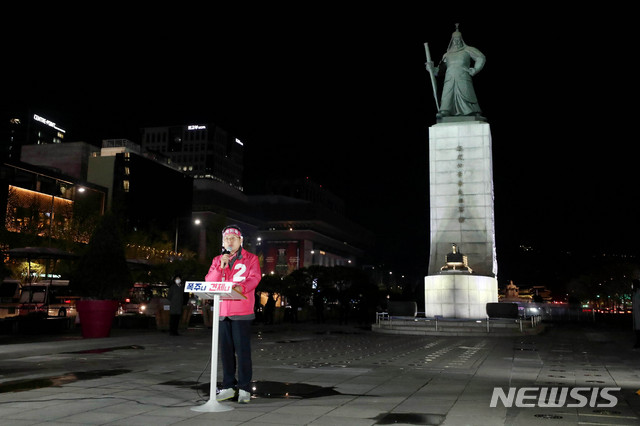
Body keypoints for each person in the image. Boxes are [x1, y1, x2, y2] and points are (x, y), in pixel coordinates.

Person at [205, 225, 261, 404]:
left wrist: (241, 288)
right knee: (225, 352)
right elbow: (210, 281)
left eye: (233, 238)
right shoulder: (217, 260)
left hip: (241, 311)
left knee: (242, 352)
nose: (229, 241)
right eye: (226, 238)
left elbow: (254, 278)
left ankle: (244, 388)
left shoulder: (251, 259)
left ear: (241, 240)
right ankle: (228, 386)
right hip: (222, 312)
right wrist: (221, 266)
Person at [426, 23, 485, 118]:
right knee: (447, 97)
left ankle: (471, 111)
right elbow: (439, 71)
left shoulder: (467, 50)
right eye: (455, 40)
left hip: (463, 77)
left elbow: (481, 57)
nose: (456, 42)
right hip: (449, 79)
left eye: (458, 40)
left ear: (462, 40)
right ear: (451, 41)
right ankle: (446, 110)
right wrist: (431, 69)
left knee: (467, 95)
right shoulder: (447, 55)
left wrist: (475, 69)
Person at [633, 280, 640, 349]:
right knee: (637, 328)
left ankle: (638, 343)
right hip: (636, 313)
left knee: (638, 328)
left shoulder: (638, 292)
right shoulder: (635, 292)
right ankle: (638, 342)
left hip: (638, 312)